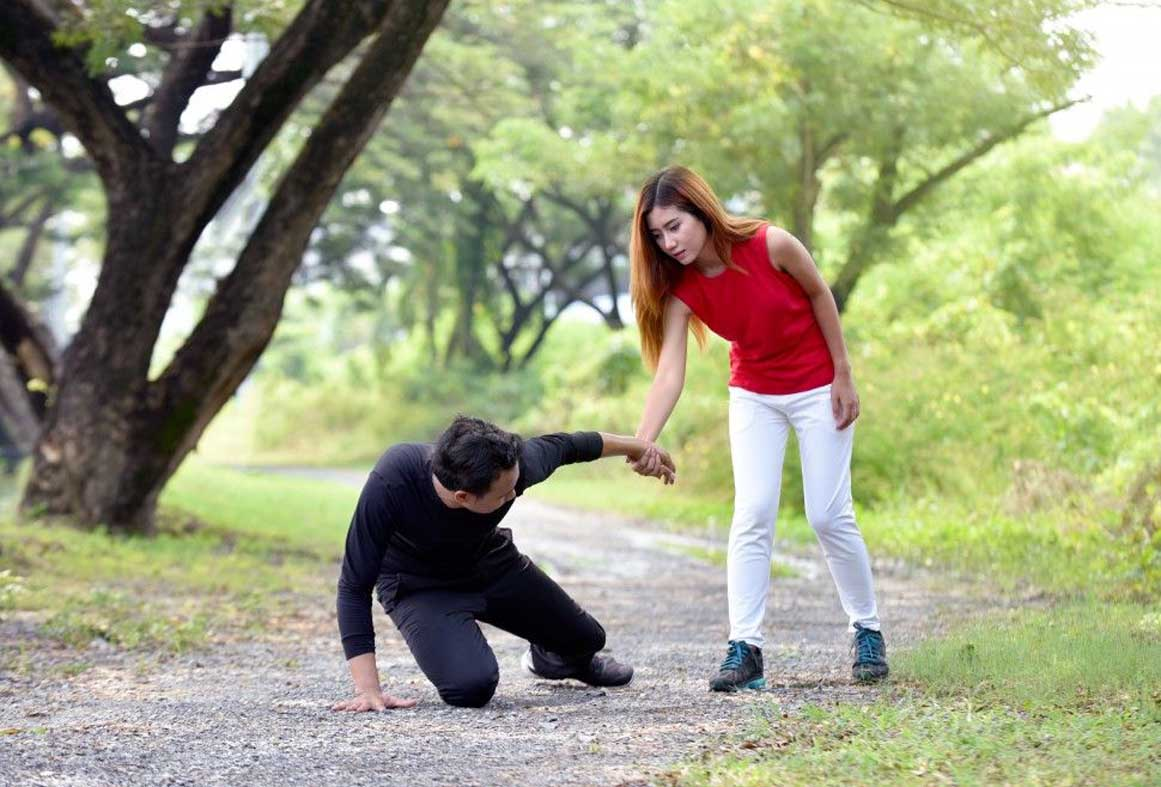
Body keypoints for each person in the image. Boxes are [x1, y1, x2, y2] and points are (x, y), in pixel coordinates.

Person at [626, 165, 888, 691]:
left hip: (818, 386)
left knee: (827, 514)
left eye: (674, 226)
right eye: (657, 234)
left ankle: (868, 630)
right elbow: (670, 373)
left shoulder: (772, 244)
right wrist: (643, 439)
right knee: (753, 512)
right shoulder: (681, 291)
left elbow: (820, 296)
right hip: (754, 395)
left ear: (701, 210)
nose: (668, 242)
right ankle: (745, 649)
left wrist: (844, 373)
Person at [332, 416, 675, 711]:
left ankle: (551, 660)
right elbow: (353, 585)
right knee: (471, 687)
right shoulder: (394, 480)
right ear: (463, 497)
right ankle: (459, 639)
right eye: (505, 493)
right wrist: (368, 690)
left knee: (587, 639)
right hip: (418, 587)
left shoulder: (511, 465)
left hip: (489, 563)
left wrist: (638, 447)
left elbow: (574, 445)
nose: (514, 493)